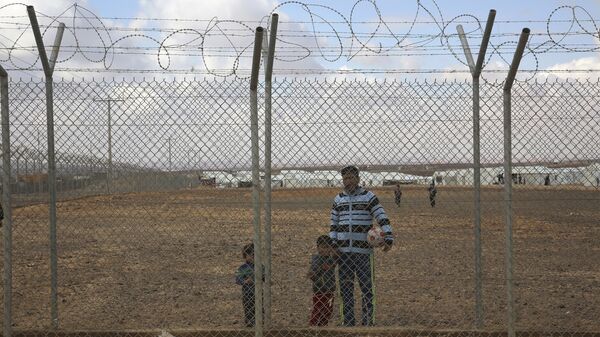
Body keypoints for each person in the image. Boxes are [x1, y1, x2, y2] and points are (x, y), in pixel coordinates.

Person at [330, 165, 394, 326]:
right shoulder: (338, 199)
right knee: (345, 291)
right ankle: (348, 323)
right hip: (343, 254)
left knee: (367, 289)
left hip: (364, 253)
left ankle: (368, 324)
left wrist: (389, 237)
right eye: (345, 179)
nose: (348, 181)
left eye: (351, 178)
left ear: (358, 179)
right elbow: (333, 224)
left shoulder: (369, 197)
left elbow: (381, 216)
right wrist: (333, 244)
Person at [307, 235, 338, 326]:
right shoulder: (317, 259)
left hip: (330, 290)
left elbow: (336, 258)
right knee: (318, 310)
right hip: (319, 290)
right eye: (323, 247)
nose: (326, 250)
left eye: (328, 247)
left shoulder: (330, 259)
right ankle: (312, 327)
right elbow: (312, 273)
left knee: (328, 311)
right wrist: (315, 273)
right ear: (318, 248)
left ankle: (322, 327)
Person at [235, 243, 256, 327]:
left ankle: (260, 320)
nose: (253, 257)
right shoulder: (242, 268)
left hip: (258, 291)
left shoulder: (259, 266)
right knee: (248, 306)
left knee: (259, 306)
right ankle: (249, 321)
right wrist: (245, 281)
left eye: (254, 255)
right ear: (245, 256)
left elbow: (264, 276)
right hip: (247, 292)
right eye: (250, 255)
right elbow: (238, 279)